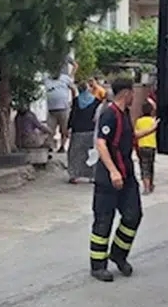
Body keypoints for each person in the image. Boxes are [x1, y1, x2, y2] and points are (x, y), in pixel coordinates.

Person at [89, 77, 157, 282]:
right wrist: (113, 171)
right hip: (109, 177)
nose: (134, 96)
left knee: (133, 215)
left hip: (126, 175)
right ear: (126, 93)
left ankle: (118, 254)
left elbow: (129, 136)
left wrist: (149, 130)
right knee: (104, 220)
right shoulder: (109, 114)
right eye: (133, 93)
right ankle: (98, 265)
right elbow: (101, 144)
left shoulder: (125, 114)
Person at [67, 81, 100, 183]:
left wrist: (68, 127)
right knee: (91, 154)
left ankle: (74, 176)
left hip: (77, 131)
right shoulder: (96, 101)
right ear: (88, 89)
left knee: (75, 154)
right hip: (91, 131)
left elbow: (73, 115)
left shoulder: (76, 101)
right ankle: (92, 176)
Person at [45, 69, 75, 152]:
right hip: (51, 109)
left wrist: (74, 101)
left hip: (63, 108)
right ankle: (50, 146)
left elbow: (73, 89)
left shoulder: (65, 78)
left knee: (64, 129)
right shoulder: (46, 78)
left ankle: (62, 146)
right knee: (50, 129)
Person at [135, 101, 157, 194]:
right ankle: (150, 185)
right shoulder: (153, 121)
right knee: (150, 166)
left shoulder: (138, 121)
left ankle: (146, 187)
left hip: (141, 146)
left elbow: (136, 133)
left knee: (143, 166)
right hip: (152, 146)